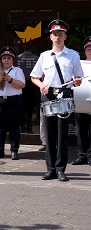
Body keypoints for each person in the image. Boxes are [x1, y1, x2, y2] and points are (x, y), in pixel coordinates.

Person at [31, 19, 83, 182]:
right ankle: (50, 169)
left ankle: (61, 169)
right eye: (54, 34)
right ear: (51, 37)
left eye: (60, 34)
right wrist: (41, 85)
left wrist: (77, 81)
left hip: (64, 95)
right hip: (48, 95)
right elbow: (34, 76)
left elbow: (78, 78)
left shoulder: (73, 55)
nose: (57, 37)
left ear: (65, 36)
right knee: (49, 133)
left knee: (62, 135)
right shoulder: (45, 56)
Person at [0, 46, 26, 160]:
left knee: (14, 126)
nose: (6, 60)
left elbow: (22, 85)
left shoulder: (17, 70)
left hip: (13, 101)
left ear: (13, 60)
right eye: (4, 58)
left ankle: (14, 151)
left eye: (9, 58)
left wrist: (10, 80)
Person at [71, 36, 91, 166]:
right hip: (81, 101)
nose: (90, 51)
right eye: (88, 49)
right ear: (85, 51)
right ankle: (82, 155)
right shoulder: (80, 65)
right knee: (81, 130)